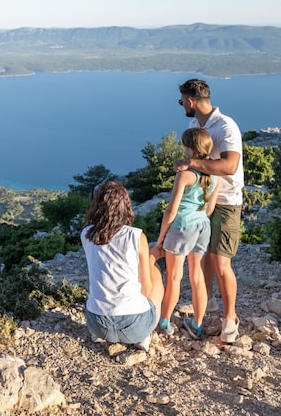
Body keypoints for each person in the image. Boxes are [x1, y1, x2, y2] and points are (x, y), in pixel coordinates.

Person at [173, 78, 245, 343]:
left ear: (191, 101)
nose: (182, 105)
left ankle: (230, 320)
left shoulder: (226, 126)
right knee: (201, 255)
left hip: (226, 200)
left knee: (220, 261)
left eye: (182, 101)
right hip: (202, 199)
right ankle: (208, 303)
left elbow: (230, 166)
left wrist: (191, 163)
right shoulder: (194, 126)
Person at [150, 127, 218, 340]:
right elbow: (210, 209)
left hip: (182, 226)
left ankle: (164, 322)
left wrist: (161, 238)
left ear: (189, 149)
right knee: (197, 276)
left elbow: (171, 210)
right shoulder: (216, 175)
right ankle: (197, 324)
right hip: (203, 225)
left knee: (174, 277)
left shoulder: (185, 175)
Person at [81, 181, 165, 351]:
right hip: (135, 327)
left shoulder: (86, 234)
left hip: (97, 324)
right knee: (154, 271)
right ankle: (144, 336)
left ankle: (101, 336)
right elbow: (147, 289)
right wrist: (151, 257)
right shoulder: (136, 236)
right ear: (125, 206)